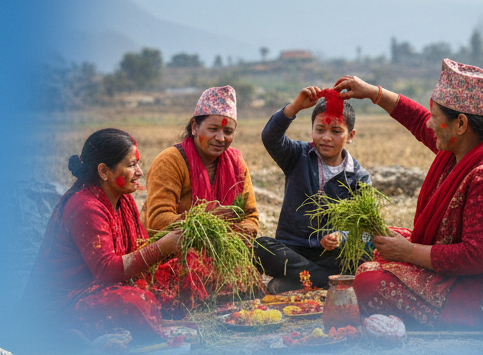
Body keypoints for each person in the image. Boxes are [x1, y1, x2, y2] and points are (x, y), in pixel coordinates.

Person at [335, 61, 483, 328]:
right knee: (376, 238)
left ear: (461, 124)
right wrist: (372, 92)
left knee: (368, 281)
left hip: (468, 289)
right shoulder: (455, 152)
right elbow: (416, 119)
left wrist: (410, 253)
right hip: (442, 264)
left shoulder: (480, 175)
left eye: (436, 116)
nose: (429, 122)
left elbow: (475, 255)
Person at [25, 128, 181, 340]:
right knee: (138, 303)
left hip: (108, 286)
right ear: (104, 172)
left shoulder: (123, 198)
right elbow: (108, 270)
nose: (140, 172)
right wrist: (162, 246)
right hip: (66, 304)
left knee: (185, 267)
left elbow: (141, 247)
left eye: (138, 163)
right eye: (132, 165)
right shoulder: (85, 207)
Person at [256, 87, 372, 290]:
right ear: (312, 130)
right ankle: (328, 280)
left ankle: (295, 281)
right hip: (293, 250)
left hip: (331, 255)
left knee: (366, 255)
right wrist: (295, 107)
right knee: (260, 247)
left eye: (336, 131)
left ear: (350, 135)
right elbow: (270, 138)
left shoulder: (358, 176)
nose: (326, 137)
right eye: (320, 130)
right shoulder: (297, 155)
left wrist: (341, 237)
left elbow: (363, 230)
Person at [145, 86, 259, 238]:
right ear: (194, 127)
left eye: (228, 132)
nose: (221, 138)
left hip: (224, 247)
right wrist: (206, 225)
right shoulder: (170, 162)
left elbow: (250, 216)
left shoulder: (236, 164)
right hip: (175, 248)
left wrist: (233, 236)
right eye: (213, 129)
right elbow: (157, 220)